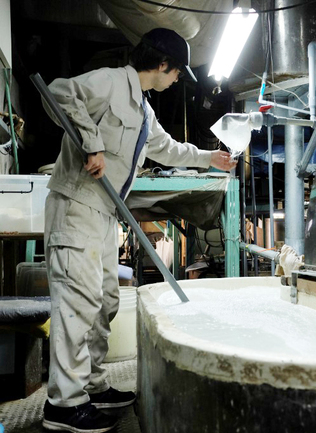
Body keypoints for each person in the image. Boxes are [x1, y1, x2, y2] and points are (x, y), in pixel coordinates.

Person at [40, 28, 237, 432]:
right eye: (178, 70)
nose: (178, 78)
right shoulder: (111, 82)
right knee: (77, 303)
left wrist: (208, 158)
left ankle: (91, 385)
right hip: (76, 204)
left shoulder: (143, 110)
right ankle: (63, 403)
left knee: (105, 301)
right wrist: (91, 140)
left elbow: (166, 149)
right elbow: (58, 92)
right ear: (162, 64)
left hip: (103, 212)